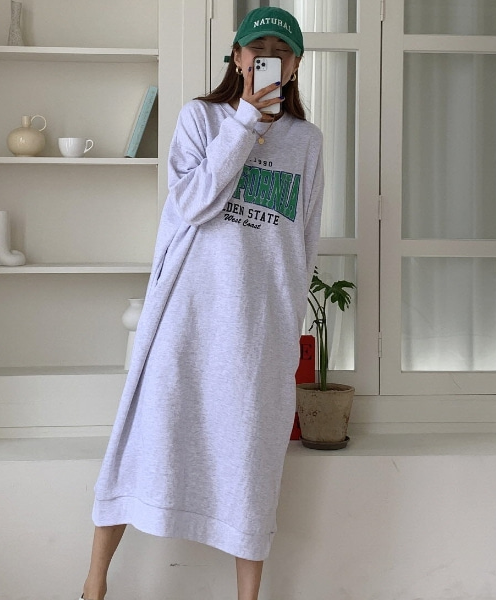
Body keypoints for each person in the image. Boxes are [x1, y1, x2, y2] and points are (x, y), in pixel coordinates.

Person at [80, 7, 324, 600]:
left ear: (294, 66)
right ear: (237, 57)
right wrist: (245, 121)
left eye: (282, 52)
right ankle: (93, 585)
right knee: (146, 440)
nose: (269, 59)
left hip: (259, 330)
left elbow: (305, 239)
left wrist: (286, 321)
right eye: (258, 49)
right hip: (188, 318)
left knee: (252, 463)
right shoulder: (201, 118)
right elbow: (190, 205)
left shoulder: (307, 141)